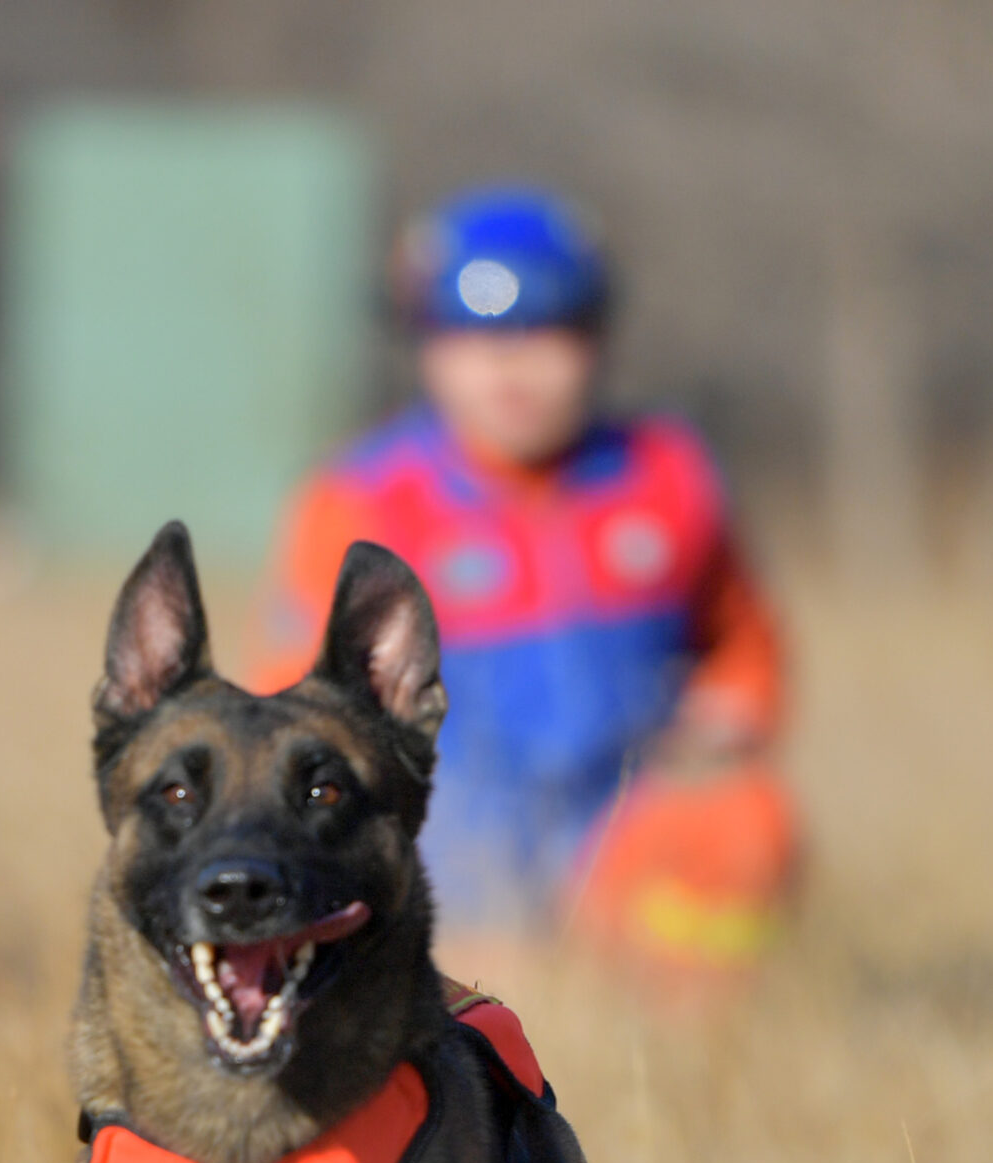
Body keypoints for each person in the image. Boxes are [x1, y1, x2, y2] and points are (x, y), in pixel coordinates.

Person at [254, 185, 796, 977]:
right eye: (470, 338)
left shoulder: (668, 475)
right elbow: (287, 719)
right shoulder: (362, 501)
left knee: (745, 823)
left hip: (616, 834)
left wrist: (731, 712)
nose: (509, 365)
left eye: (544, 333)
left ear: (599, 338)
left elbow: (745, 651)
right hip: (440, 850)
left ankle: (690, 1041)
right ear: (426, 349)